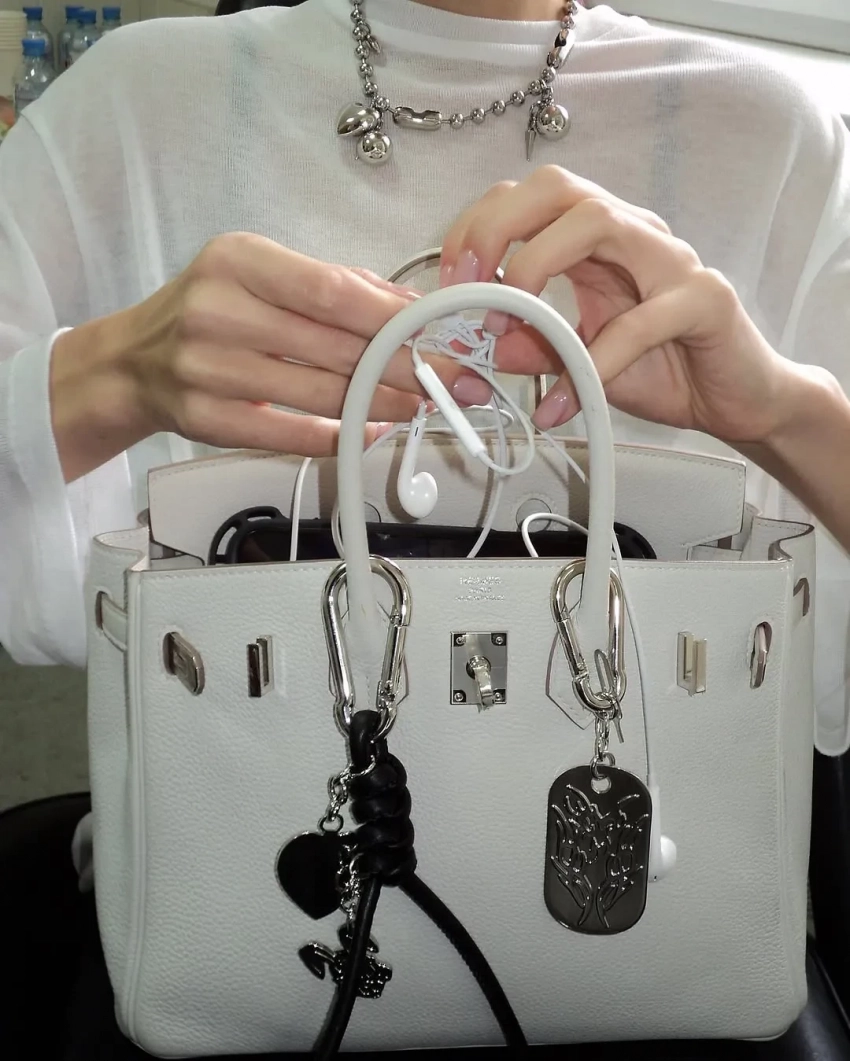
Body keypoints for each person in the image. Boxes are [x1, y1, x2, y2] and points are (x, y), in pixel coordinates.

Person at [1, 0, 850, 1055]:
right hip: (225, 950)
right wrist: (100, 378)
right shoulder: (133, 107)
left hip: (681, 975)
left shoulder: (776, 134)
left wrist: (787, 415)